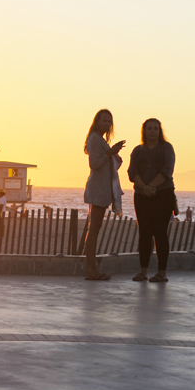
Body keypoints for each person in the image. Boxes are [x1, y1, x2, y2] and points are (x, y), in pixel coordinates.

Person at [127, 118, 176, 283]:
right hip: (142, 196)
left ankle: (161, 272)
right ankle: (143, 271)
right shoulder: (137, 151)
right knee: (144, 233)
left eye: (156, 128)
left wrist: (151, 187)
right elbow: (132, 171)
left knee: (160, 233)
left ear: (160, 131)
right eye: (149, 128)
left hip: (162, 194)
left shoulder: (166, 148)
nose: (153, 131)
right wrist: (144, 187)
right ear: (144, 131)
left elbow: (167, 170)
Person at [82, 109, 125, 280]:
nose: (107, 124)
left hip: (103, 189)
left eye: (109, 122)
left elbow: (107, 165)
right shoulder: (94, 139)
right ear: (97, 122)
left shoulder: (100, 140)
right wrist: (110, 153)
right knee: (94, 229)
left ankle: (92, 269)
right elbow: (94, 164)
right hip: (98, 190)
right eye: (104, 121)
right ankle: (91, 270)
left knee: (95, 228)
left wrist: (113, 155)